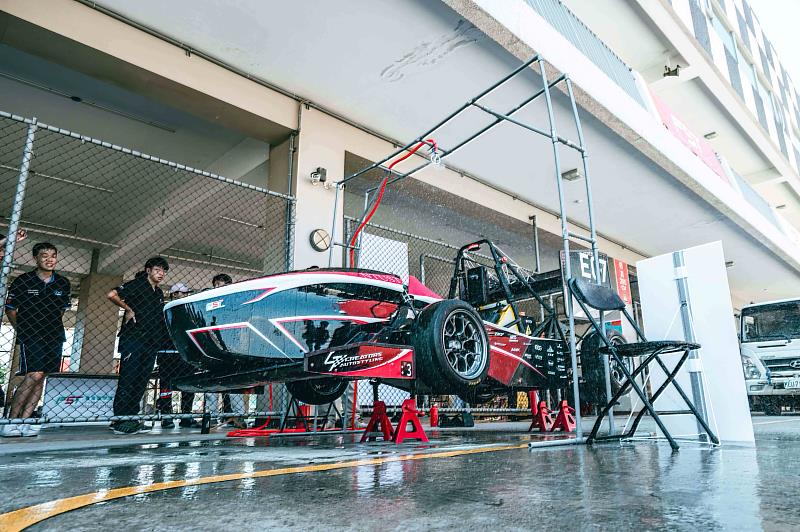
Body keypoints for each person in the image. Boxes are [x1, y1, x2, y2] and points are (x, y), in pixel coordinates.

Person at [2, 242, 71, 438]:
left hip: (54, 335)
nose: (49, 259)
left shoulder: (63, 282)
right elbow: (11, 309)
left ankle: (25, 420)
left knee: (43, 376)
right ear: (36, 258)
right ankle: (10, 420)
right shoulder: (23, 281)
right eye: (44, 255)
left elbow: (61, 310)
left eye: (53, 255)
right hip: (31, 334)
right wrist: (22, 330)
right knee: (33, 374)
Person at [107, 257, 169, 435]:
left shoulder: (158, 292)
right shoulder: (137, 284)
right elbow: (112, 294)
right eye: (157, 270)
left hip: (151, 341)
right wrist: (128, 308)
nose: (161, 274)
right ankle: (119, 420)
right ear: (148, 270)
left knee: (141, 380)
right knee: (128, 378)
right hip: (133, 339)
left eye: (164, 271)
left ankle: (131, 418)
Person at [210, 273, 247, 428]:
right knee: (212, 384)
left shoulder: (234, 304)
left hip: (231, 347)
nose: (220, 287)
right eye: (217, 284)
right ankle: (210, 416)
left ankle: (239, 416)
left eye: (223, 285)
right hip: (213, 347)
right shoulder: (209, 302)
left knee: (234, 384)